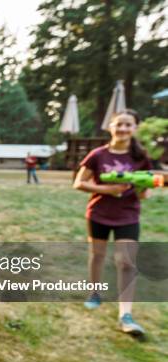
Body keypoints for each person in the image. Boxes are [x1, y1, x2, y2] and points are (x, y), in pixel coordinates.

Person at [73, 109, 152, 335]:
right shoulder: (98, 155)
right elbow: (79, 183)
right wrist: (106, 189)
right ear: (111, 127)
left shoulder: (140, 157)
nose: (123, 129)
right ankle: (94, 293)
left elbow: (144, 194)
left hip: (128, 215)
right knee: (97, 255)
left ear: (135, 128)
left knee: (126, 262)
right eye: (119, 124)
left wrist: (142, 187)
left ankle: (125, 315)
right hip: (98, 213)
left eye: (128, 125)